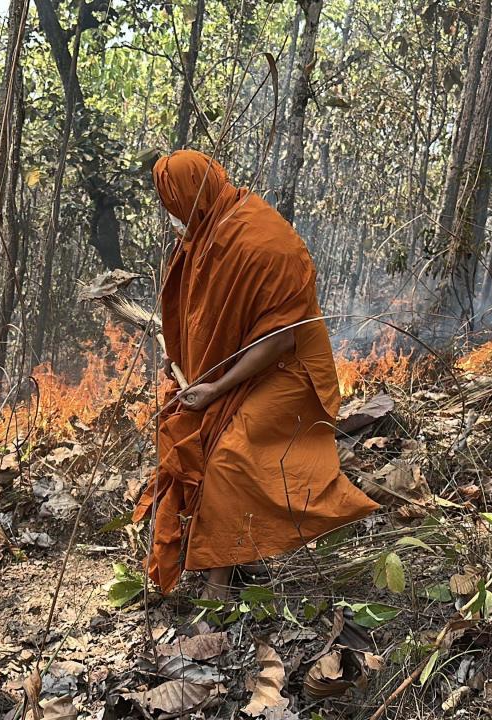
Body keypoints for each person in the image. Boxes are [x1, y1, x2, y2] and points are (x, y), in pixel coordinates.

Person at [132, 149, 379, 600]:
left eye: (174, 203)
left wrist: (217, 388)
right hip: (238, 371)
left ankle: (218, 589)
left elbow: (283, 337)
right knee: (205, 441)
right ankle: (233, 559)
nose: (174, 215)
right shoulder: (209, 229)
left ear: (193, 194)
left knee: (229, 455)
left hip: (290, 371)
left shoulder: (260, 239)